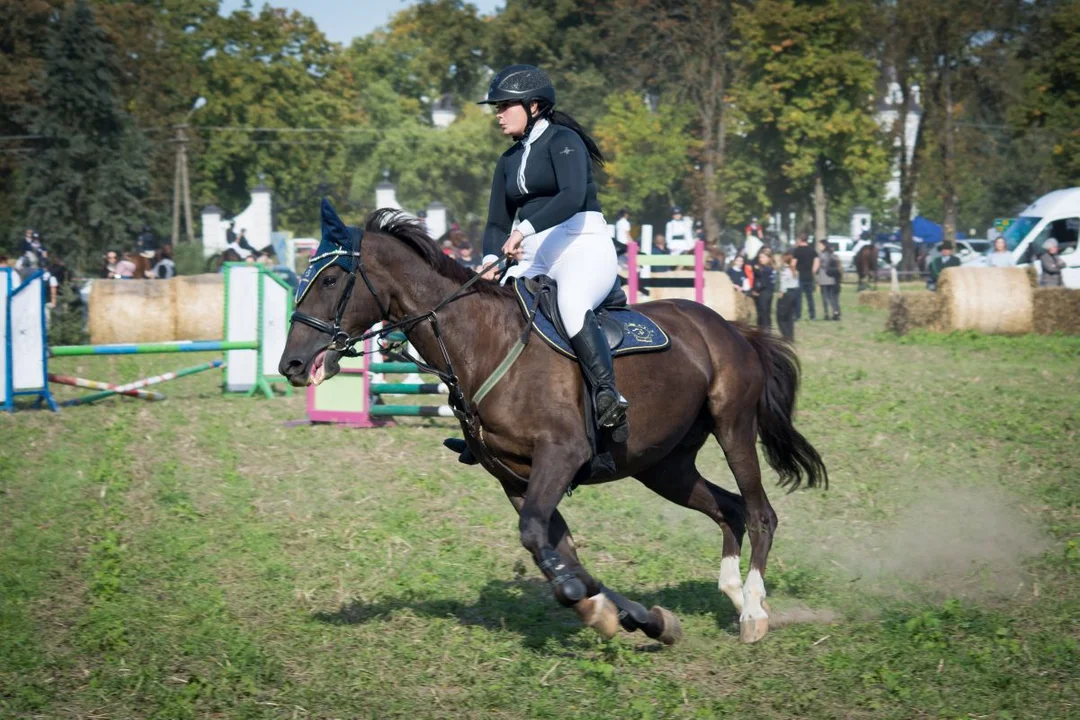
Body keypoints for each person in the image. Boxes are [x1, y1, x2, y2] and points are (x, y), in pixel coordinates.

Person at [478, 63, 628, 439]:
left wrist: (524, 229)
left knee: (572, 303)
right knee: (494, 310)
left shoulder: (564, 140)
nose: (498, 114)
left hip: (583, 243)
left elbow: (572, 196)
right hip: (536, 252)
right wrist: (486, 263)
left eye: (504, 106)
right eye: (496, 107)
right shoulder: (508, 160)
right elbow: (497, 222)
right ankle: (487, 419)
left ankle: (608, 395)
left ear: (533, 106)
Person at [792, 233, 819, 320]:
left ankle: (797, 315)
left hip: (800, 276)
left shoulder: (797, 251)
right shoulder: (812, 250)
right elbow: (817, 262)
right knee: (810, 297)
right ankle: (812, 315)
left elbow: (793, 264)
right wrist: (813, 271)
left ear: (800, 240)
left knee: (798, 297)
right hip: (809, 276)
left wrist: (794, 273)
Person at [775, 251, 800, 341]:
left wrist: (781, 292)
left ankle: (785, 336)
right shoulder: (794, 270)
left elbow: (783, 283)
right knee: (790, 316)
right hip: (794, 293)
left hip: (786, 294)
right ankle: (790, 335)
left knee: (781, 317)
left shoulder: (785, 271)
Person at [750, 247, 775, 328]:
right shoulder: (770, 268)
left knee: (762, 314)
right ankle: (767, 330)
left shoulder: (766, 269)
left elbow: (763, 283)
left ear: (768, 258)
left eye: (763, 257)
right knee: (767, 314)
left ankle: (763, 331)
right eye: (760, 257)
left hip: (763, 293)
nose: (760, 259)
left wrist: (756, 291)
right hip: (769, 293)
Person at [816, 240, 841, 321]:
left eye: (820, 245)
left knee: (824, 296)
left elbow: (819, 265)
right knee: (832, 296)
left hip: (823, 277)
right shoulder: (833, 255)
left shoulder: (821, 255)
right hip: (832, 277)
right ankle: (835, 311)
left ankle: (826, 313)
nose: (819, 247)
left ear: (824, 246)